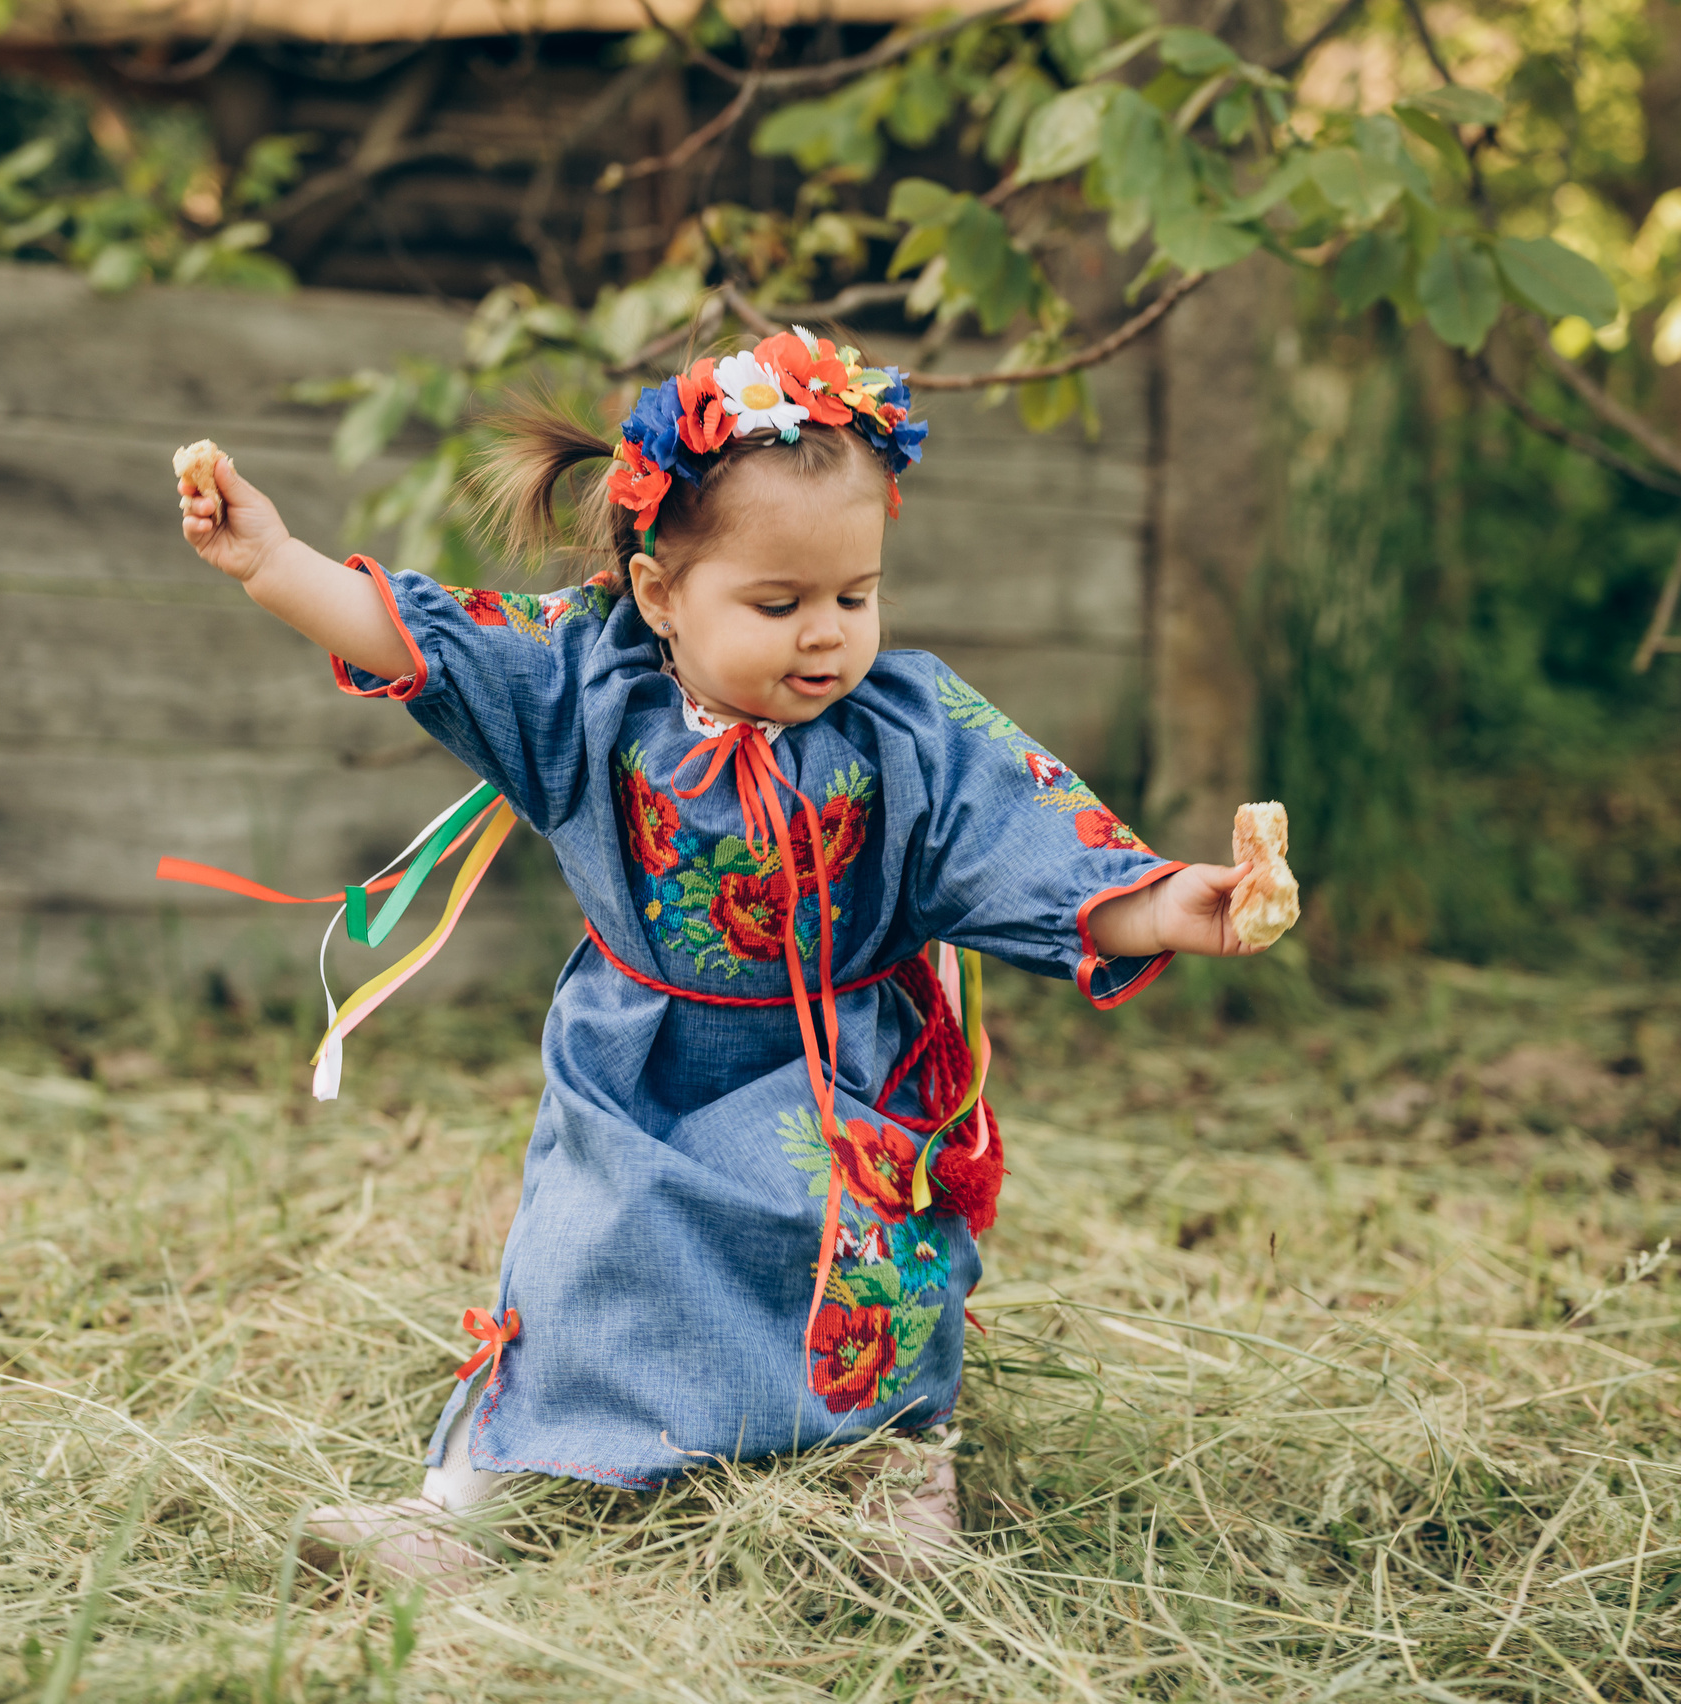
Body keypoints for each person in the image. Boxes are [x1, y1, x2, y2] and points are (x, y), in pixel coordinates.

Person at [176, 330, 1270, 1587]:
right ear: (657, 595)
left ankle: (886, 1476)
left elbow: (1025, 841)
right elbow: (426, 640)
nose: (826, 637)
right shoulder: (588, 685)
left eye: (854, 597)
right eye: (778, 604)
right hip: (635, 1063)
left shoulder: (908, 727)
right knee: (582, 1260)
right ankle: (474, 1498)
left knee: (864, 1273)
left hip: (844, 1072)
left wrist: (1160, 904)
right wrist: (272, 561)